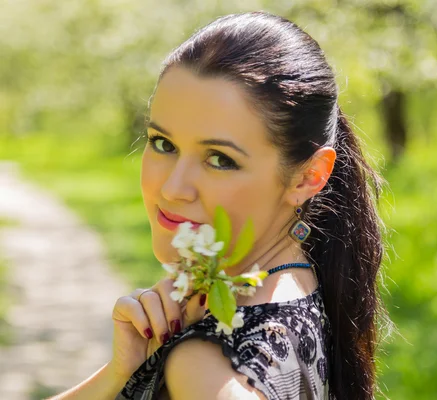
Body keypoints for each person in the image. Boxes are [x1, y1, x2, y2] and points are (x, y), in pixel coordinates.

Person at [51, 10, 388, 400]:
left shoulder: (204, 368)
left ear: (308, 176)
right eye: (163, 143)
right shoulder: (300, 288)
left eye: (220, 159)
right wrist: (120, 375)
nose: (174, 188)